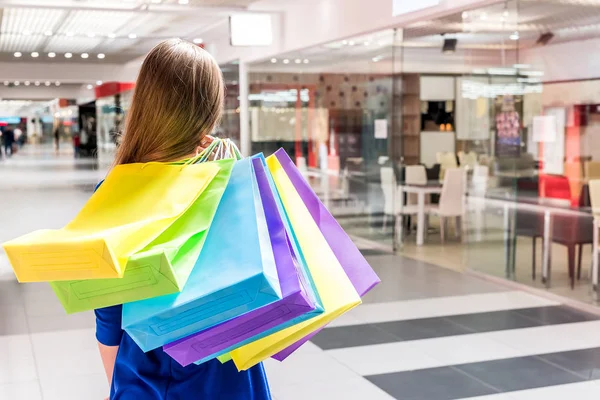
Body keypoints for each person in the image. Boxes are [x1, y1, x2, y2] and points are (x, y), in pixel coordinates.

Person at [95, 39, 271, 400]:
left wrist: (121, 383)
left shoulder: (115, 191)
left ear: (145, 103)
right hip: (232, 371)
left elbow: (110, 320)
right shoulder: (234, 178)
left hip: (146, 373)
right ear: (210, 107)